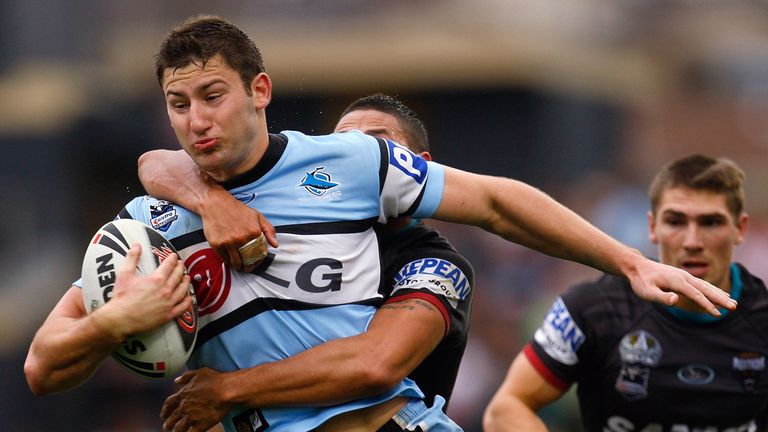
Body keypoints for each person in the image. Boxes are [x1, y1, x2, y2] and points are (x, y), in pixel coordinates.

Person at [23, 15, 733, 432]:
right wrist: (118, 322)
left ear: (259, 91)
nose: (198, 121)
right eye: (180, 105)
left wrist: (629, 262)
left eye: (213, 96)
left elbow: (494, 201)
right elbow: (42, 366)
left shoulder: (357, 169)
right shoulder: (150, 226)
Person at [139, 92, 475, 420]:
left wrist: (226, 390)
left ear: (421, 167)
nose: (362, 154)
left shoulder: (436, 263)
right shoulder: (297, 235)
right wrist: (210, 201)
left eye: (378, 142)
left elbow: (376, 364)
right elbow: (158, 162)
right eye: (344, 144)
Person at [483, 154, 768, 432]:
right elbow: (507, 407)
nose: (692, 241)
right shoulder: (593, 309)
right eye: (676, 221)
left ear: (739, 229)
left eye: (710, 222)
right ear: (653, 228)